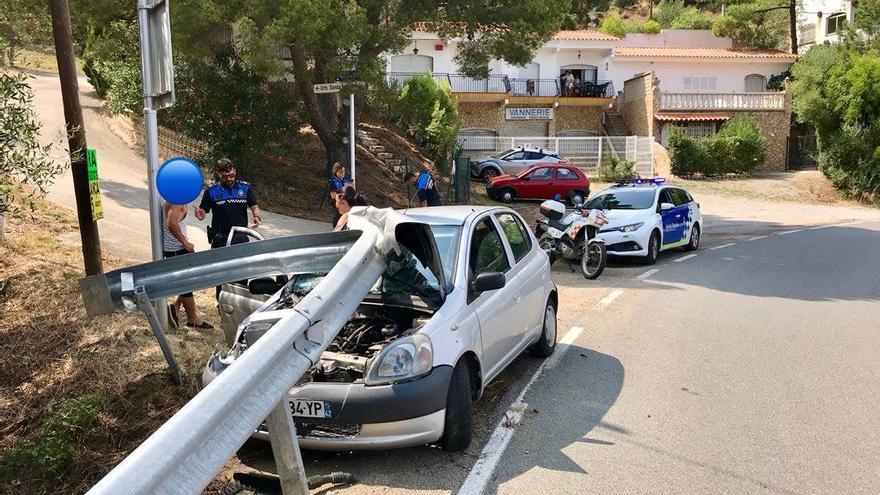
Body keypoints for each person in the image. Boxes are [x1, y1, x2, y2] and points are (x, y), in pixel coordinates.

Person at [162, 201, 214, 330]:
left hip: (178, 247)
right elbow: (172, 223)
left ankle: (175, 308)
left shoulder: (175, 197)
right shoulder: (176, 201)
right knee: (186, 284)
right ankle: (193, 320)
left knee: (190, 280)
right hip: (176, 248)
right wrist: (184, 242)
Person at [194, 158, 261, 249]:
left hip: (240, 237)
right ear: (218, 174)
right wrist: (201, 216)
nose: (229, 179)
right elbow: (203, 211)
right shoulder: (211, 191)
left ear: (235, 171)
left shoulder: (245, 188)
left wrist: (256, 216)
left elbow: (254, 206)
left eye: (231, 175)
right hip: (220, 239)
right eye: (225, 177)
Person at [328, 162, 354, 226]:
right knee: (337, 221)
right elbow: (333, 196)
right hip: (338, 204)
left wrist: (350, 187)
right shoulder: (333, 181)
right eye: (340, 172)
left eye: (343, 172)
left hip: (346, 204)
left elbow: (352, 187)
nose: (342, 174)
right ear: (335, 172)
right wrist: (343, 190)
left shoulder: (346, 179)